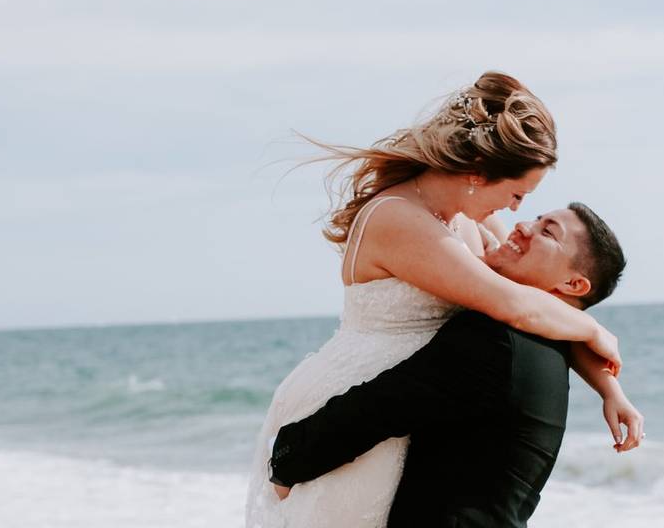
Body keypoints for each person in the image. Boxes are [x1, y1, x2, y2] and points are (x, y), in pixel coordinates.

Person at [244, 73, 622, 528]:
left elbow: (540, 302)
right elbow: (519, 307)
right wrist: (597, 330)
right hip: (349, 405)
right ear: (478, 172)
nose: (516, 212)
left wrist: (608, 387)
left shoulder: (470, 224)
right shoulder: (398, 218)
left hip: (403, 408)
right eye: (518, 194)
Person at [269, 204, 643, 528]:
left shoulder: (495, 340)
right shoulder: (551, 343)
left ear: (573, 283)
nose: (523, 226)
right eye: (536, 216)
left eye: (548, 231)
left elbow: (377, 408)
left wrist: (287, 458)